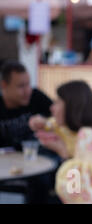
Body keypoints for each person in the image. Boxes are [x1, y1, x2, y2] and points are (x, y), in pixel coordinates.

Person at [29, 81, 92, 204]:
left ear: (71, 106)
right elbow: (61, 128)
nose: (52, 108)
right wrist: (46, 124)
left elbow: (77, 193)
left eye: (57, 102)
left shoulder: (88, 136)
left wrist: (64, 155)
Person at [0, 60, 56, 203]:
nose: (27, 91)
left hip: (40, 163)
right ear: (3, 86)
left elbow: (59, 116)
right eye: (21, 86)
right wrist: (29, 125)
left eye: (28, 84)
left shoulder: (36, 97)